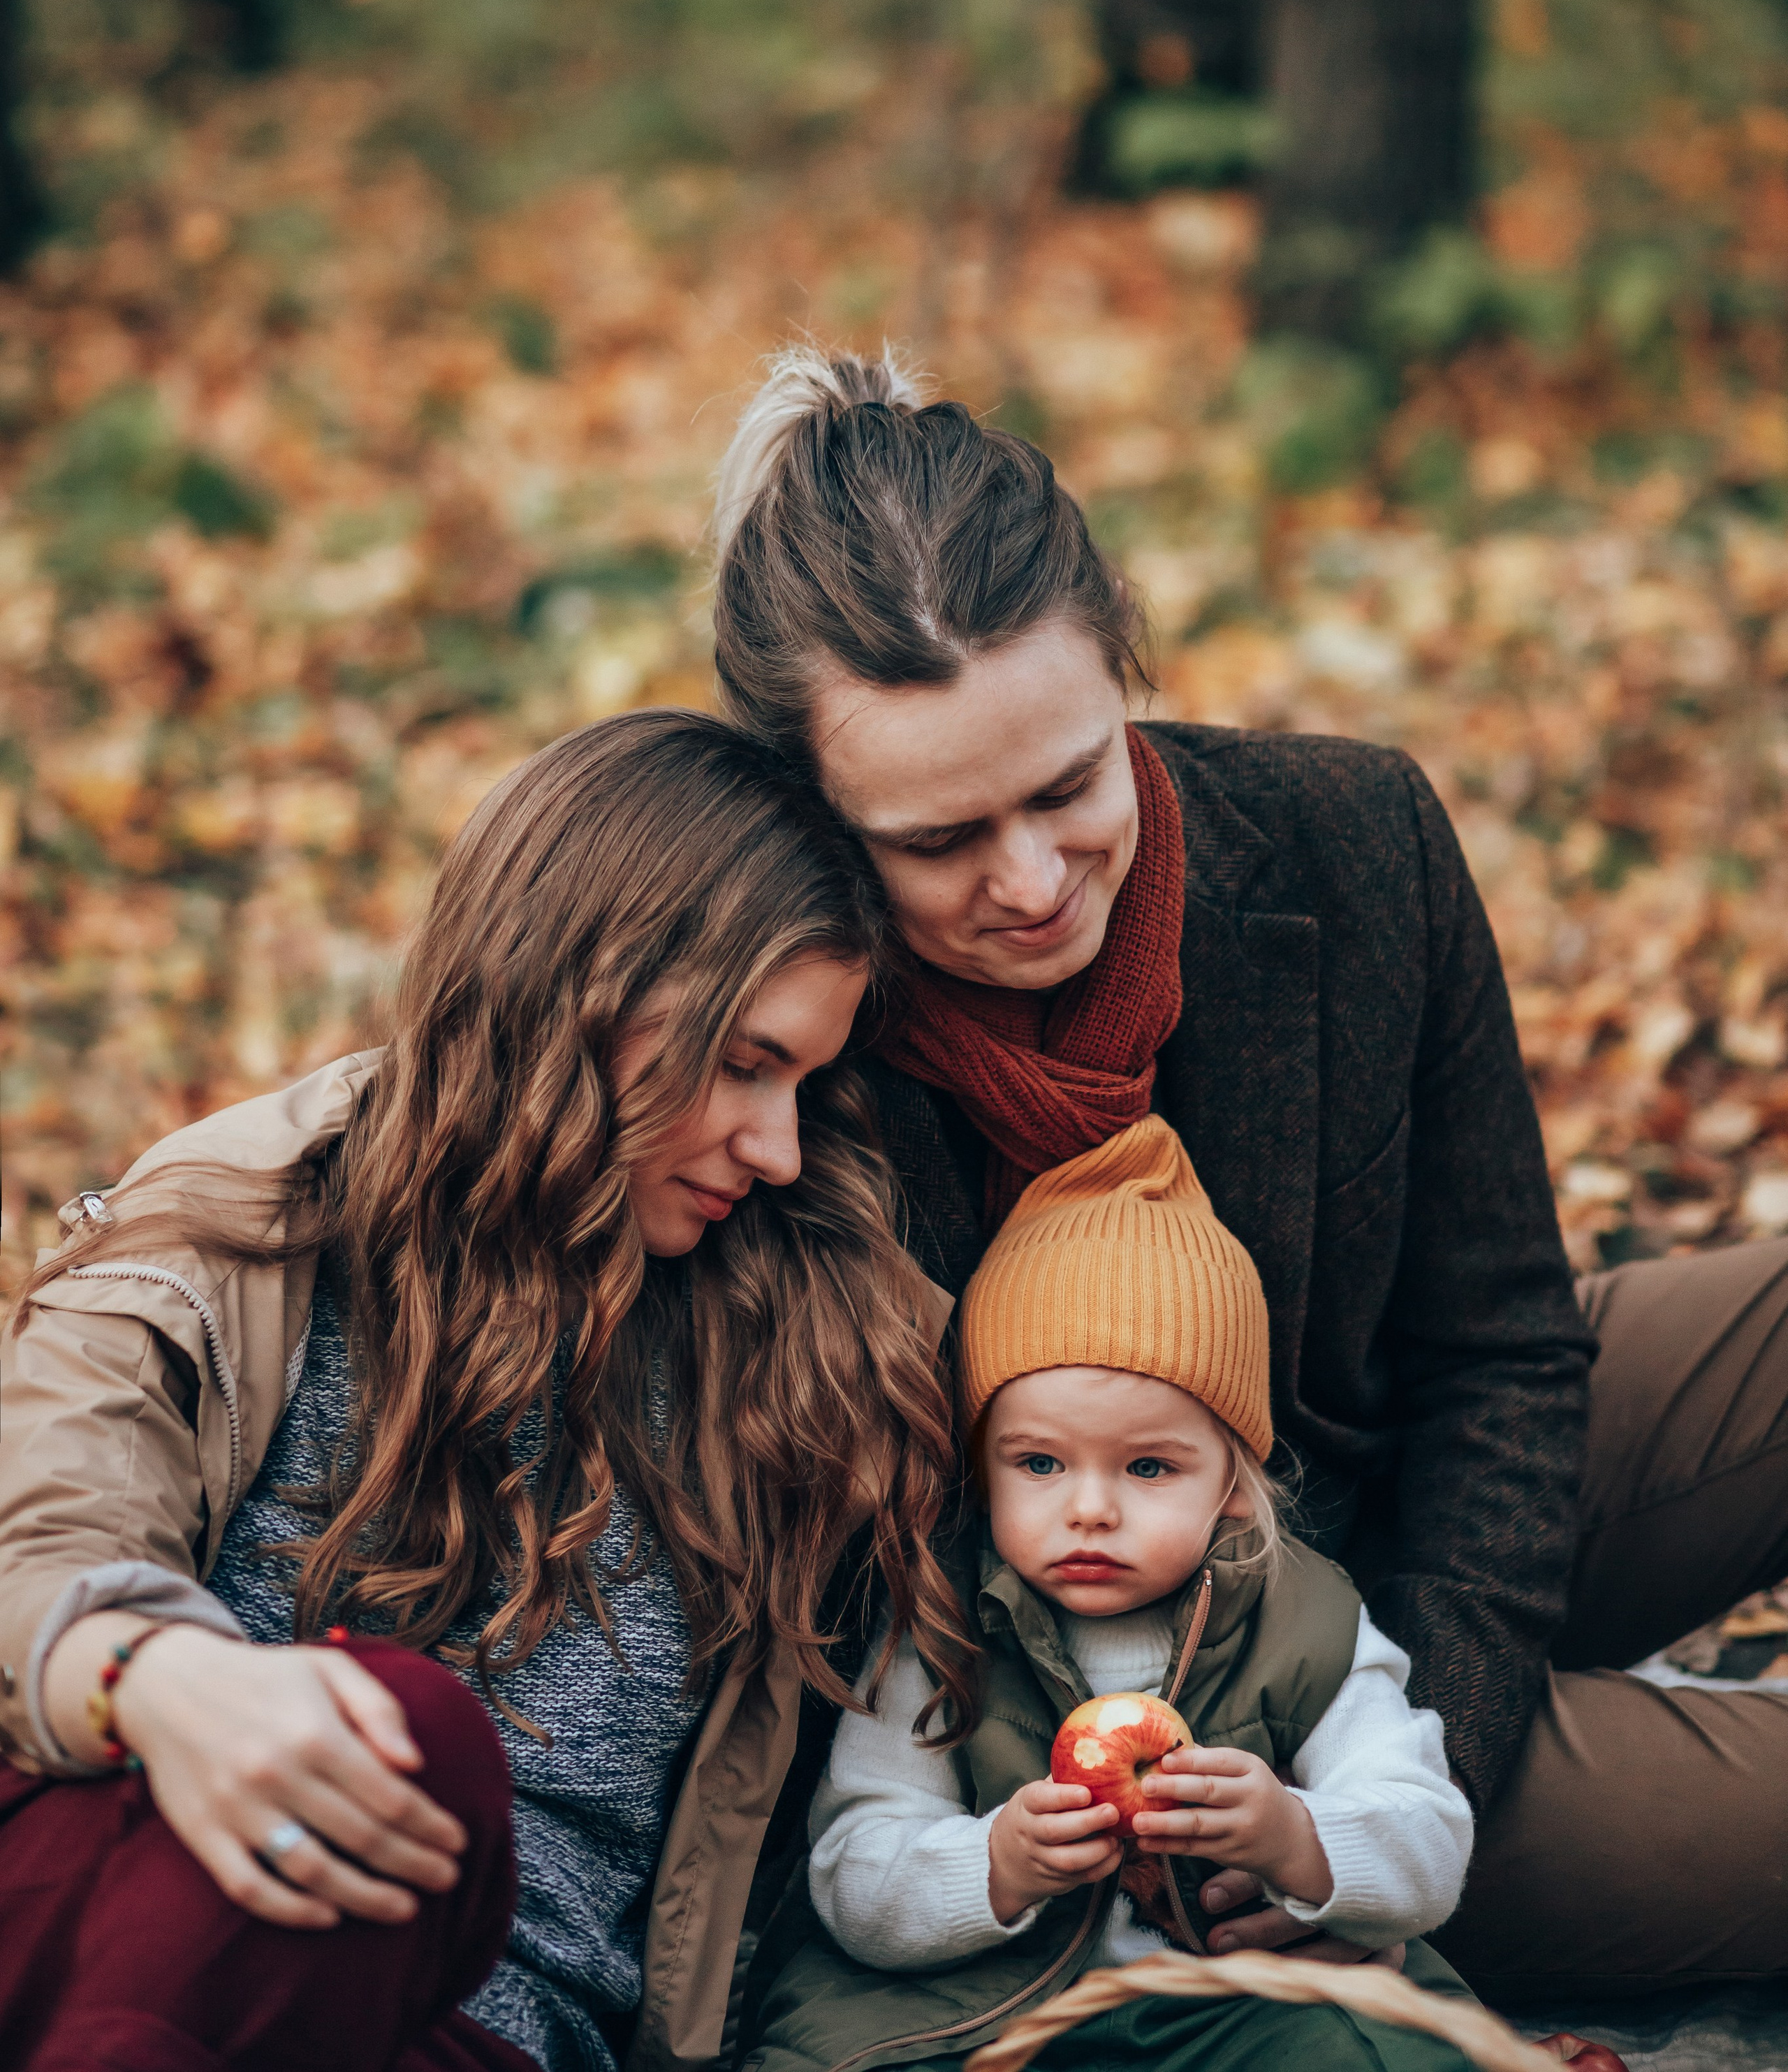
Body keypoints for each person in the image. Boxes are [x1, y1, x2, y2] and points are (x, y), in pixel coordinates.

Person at [710, 346, 1788, 2009]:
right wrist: (1275, 1834)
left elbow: (1496, 1343)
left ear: (1121, 670)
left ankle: (1576, 1690)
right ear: (817, 813)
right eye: (935, 842)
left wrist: (1399, 1749)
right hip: (1126, 1720)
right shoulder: (772, 1034)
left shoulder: (1351, 839)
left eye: (1068, 784)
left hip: (1373, 1626)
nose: (1029, 879)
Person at [0, 711, 974, 2072]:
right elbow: (38, 1536)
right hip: (139, 1897)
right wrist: (160, 1676)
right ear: (573, 993)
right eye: (745, 1062)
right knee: (370, 1744)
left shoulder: (808, 1355)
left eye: (805, 1081)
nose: (773, 1144)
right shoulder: (232, 1229)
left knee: (415, 1753)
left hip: (473, 2039)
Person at [745, 1116, 1477, 2072]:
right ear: (984, 1468)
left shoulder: (1307, 1625)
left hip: (1220, 2007)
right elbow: (854, 1869)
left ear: (1229, 1482)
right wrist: (996, 1864)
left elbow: (1426, 1838)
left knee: (1377, 2053)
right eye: (1040, 1461)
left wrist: (1294, 1835)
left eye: (1147, 1466)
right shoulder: (939, 1626)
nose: (1089, 1508)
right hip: (979, 2013)